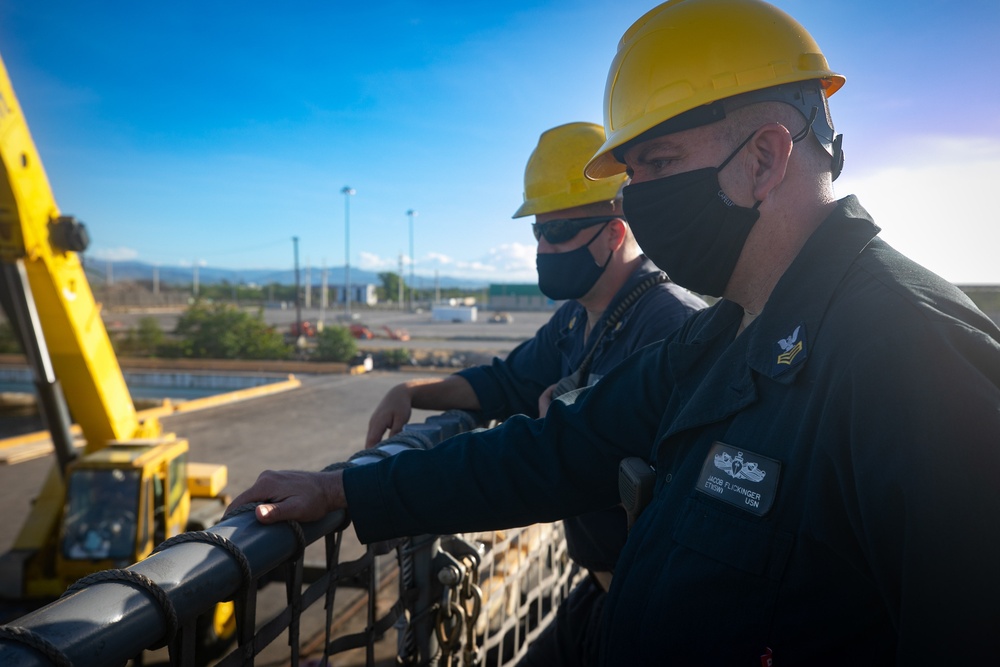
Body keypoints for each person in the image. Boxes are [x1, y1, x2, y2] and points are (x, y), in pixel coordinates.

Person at [232, 0, 1000, 663]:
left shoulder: (913, 359)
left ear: (766, 156)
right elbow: (551, 450)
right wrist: (344, 487)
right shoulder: (724, 337)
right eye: (631, 172)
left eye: (659, 162)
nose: (639, 201)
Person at [365, 120, 706, 665]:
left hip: (659, 613)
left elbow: (626, 462)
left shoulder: (669, 327)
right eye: (537, 232)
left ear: (614, 233)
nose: (544, 247)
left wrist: (564, 422)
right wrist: (414, 390)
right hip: (600, 587)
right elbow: (507, 382)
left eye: (559, 233)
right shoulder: (576, 319)